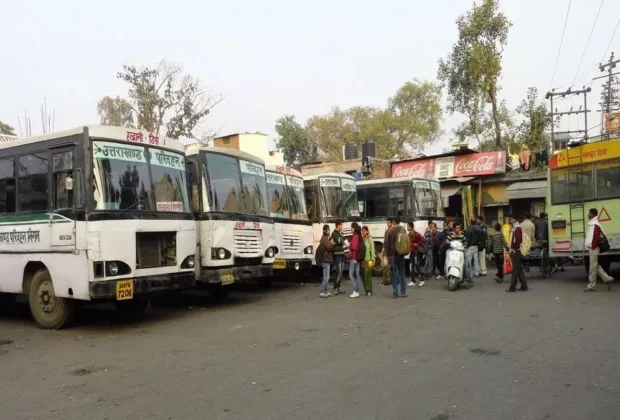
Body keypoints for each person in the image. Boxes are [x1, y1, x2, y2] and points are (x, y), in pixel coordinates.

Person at [584, 208, 614, 292]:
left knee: (592, 268)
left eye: (589, 213)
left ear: (592, 214)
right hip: (593, 248)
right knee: (595, 266)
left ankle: (591, 285)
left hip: (593, 249)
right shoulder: (593, 224)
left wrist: (593, 246)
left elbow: (597, 238)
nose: (588, 215)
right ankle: (608, 279)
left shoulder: (594, 225)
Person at [385, 216, 407, 298]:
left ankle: (395, 293)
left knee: (394, 274)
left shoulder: (391, 231)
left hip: (393, 254)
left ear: (394, 222)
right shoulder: (403, 230)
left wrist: (387, 255)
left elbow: (387, 243)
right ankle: (403, 292)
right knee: (402, 273)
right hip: (401, 254)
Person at [507, 214, 528, 292]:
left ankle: (512, 287)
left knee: (516, 270)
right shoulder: (515, 228)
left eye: (511, 219)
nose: (510, 221)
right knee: (518, 269)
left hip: (516, 250)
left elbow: (518, 240)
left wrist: (513, 249)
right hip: (516, 250)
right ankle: (523, 286)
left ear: (515, 219)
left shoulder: (517, 228)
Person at [406, 222, 425, 287]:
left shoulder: (416, 234)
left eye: (408, 226)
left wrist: (417, 244)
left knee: (416, 265)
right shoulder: (409, 234)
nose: (407, 227)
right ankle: (413, 281)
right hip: (411, 252)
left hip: (416, 252)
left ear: (411, 227)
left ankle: (422, 280)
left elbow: (423, 239)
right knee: (411, 266)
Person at [318, 225, 335, 297]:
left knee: (326, 276)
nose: (329, 231)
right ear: (325, 231)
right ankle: (322, 291)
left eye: (329, 230)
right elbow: (329, 248)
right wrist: (332, 243)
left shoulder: (325, 238)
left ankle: (326, 291)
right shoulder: (324, 239)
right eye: (328, 230)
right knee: (326, 276)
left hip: (326, 259)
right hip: (325, 259)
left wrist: (330, 242)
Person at [348, 224, 362, 298]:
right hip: (358, 258)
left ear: (354, 228)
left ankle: (355, 290)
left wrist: (349, 245)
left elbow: (354, 247)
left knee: (351, 274)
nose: (351, 229)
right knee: (357, 274)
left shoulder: (355, 236)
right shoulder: (359, 236)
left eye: (351, 228)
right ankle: (357, 290)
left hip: (354, 257)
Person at [331, 220, 345, 295]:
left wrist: (340, 238)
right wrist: (340, 237)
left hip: (342, 254)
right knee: (339, 271)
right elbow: (340, 241)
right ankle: (335, 288)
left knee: (341, 272)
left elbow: (342, 242)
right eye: (341, 225)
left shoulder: (339, 233)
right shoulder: (334, 233)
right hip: (337, 255)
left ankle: (339, 287)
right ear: (338, 225)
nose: (342, 227)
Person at [361, 226, 376, 296]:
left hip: (369, 259)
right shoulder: (362, 239)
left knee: (368, 275)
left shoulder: (370, 238)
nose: (363, 232)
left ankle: (369, 290)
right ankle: (366, 290)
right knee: (363, 275)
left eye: (364, 231)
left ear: (367, 231)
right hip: (363, 260)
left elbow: (372, 248)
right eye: (362, 231)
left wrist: (373, 258)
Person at [380, 218, 394, 287]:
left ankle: (392, 281)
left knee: (392, 267)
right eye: (387, 223)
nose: (388, 224)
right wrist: (382, 251)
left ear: (392, 223)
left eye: (389, 223)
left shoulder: (393, 231)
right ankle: (386, 281)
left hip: (391, 252)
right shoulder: (386, 231)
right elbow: (384, 242)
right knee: (385, 267)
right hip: (386, 252)